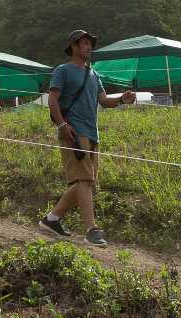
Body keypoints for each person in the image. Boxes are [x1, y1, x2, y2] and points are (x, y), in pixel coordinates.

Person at [38, 30, 135, 247]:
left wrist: (122, 99)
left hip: (92, 133)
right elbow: (52, 101)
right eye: (85, 43)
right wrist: (62, 125)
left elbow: (103, 100)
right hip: (73, 132)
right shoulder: (62, 71)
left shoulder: (94, 74)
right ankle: (91, 229)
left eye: (91, 44)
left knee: (87, 180)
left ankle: (52, 219)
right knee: (84, 180)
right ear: (73, 46)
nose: (89, 47)